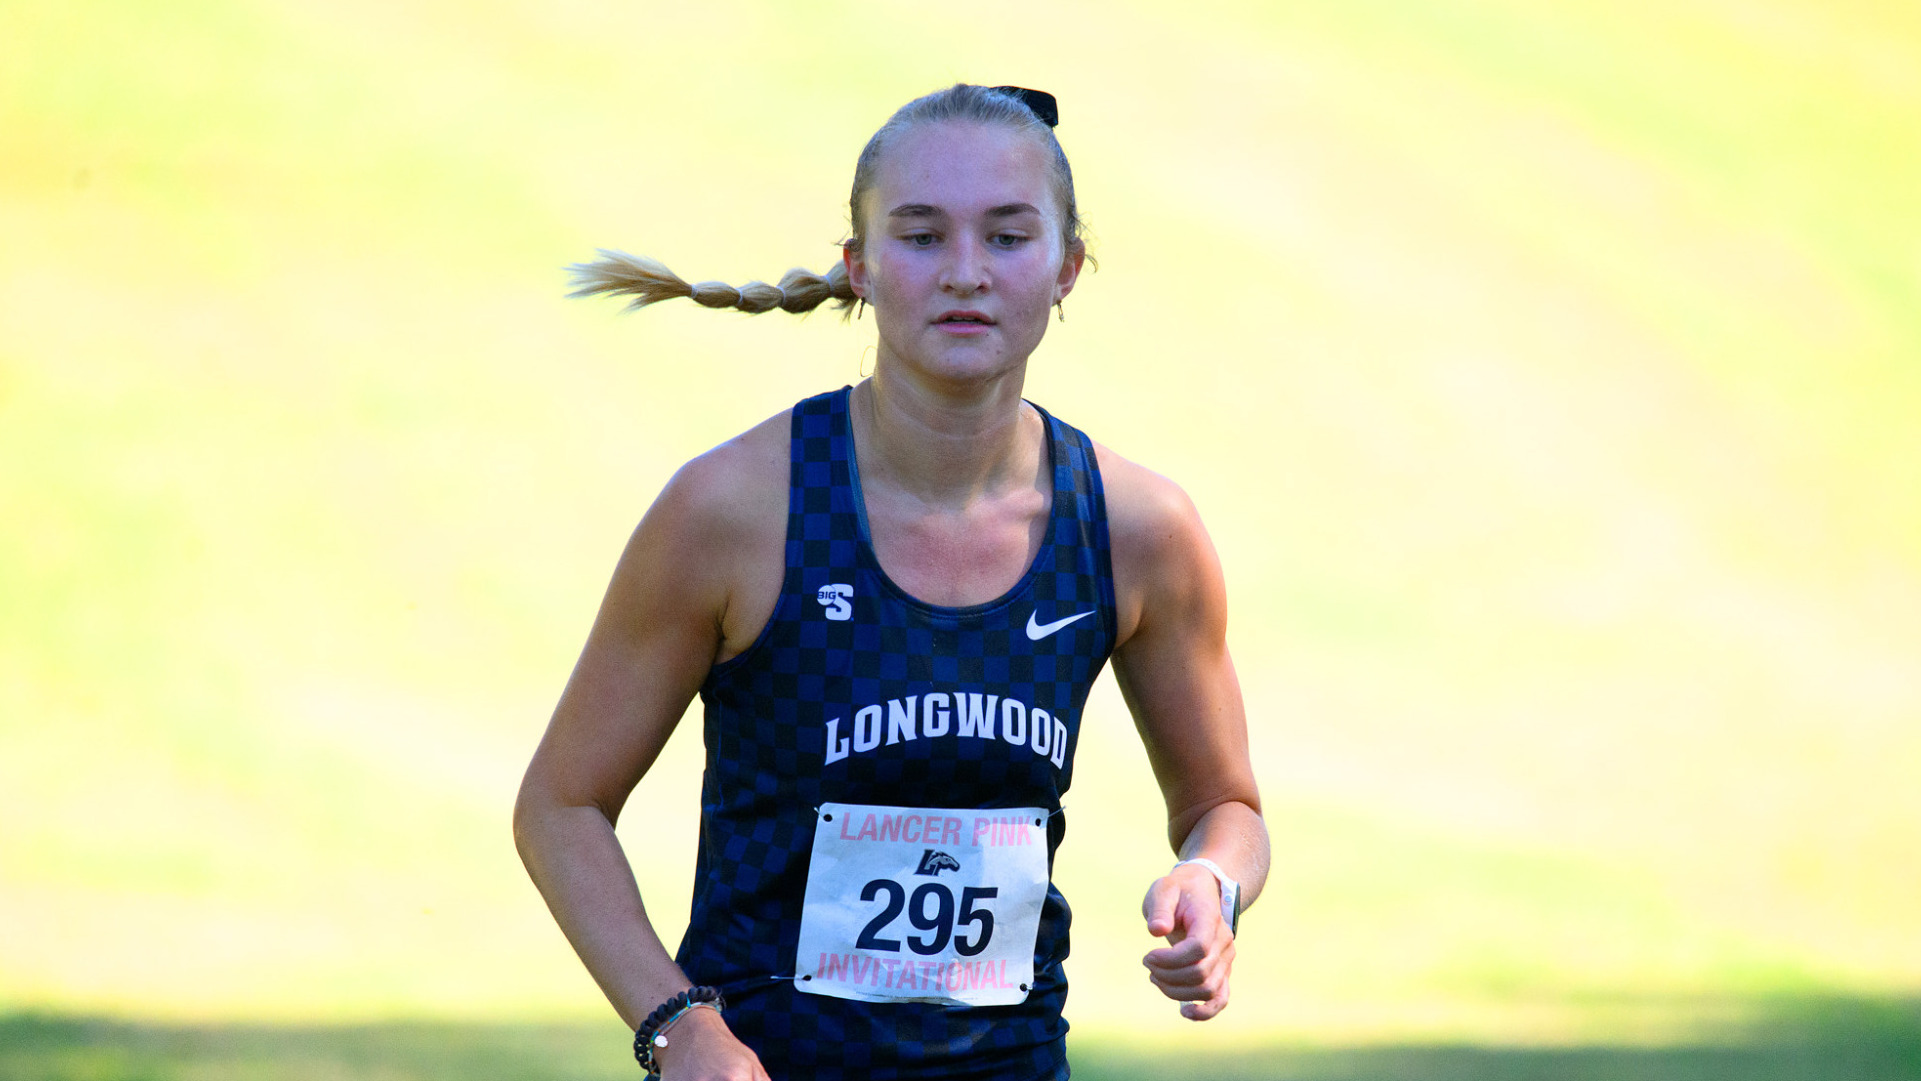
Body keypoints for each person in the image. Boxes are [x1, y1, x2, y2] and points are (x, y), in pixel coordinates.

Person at [513, 84, 1268, 1081]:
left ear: (1066, 268)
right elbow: (560, 806)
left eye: (1007, 237)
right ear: (858, 269)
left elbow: (1227, 805)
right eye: (920, 238)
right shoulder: (735, 511)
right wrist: (679, 1028)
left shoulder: (1134, 529)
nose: (965, 273)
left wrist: (1210, 881)